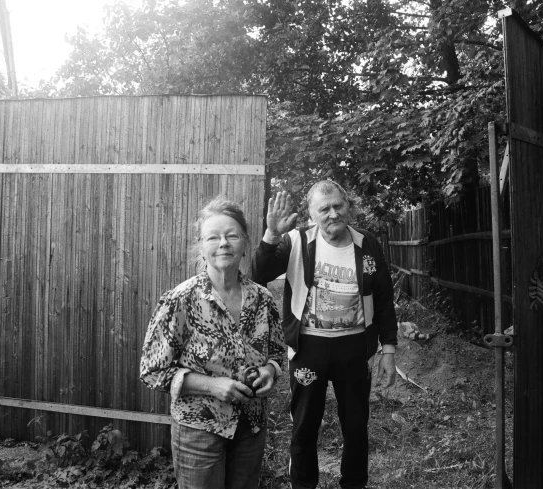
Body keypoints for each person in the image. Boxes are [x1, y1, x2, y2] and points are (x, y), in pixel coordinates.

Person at [252, 180, 398, 489]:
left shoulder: (367, 243)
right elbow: (258, 273)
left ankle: (354, 484)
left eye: (338, 206)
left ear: (348, 206)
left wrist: (389, 349)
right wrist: (270, 235)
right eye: (324, 209)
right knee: (304, 426)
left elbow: (384, 299)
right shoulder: (295, 241)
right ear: (311, 214)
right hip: (309, 348)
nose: (332, 214)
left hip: (355, 349)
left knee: (356, 426)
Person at [140, 198, 286, 489]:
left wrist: (269, 372)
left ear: (245, 242)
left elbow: (276, 353)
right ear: (201, 245)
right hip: (199, 429)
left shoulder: (262, 298)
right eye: (213, 237)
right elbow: (152, 371)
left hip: (251, 426)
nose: (224, 243)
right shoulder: (180, 300)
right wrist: (213, 386)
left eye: (232, 235)